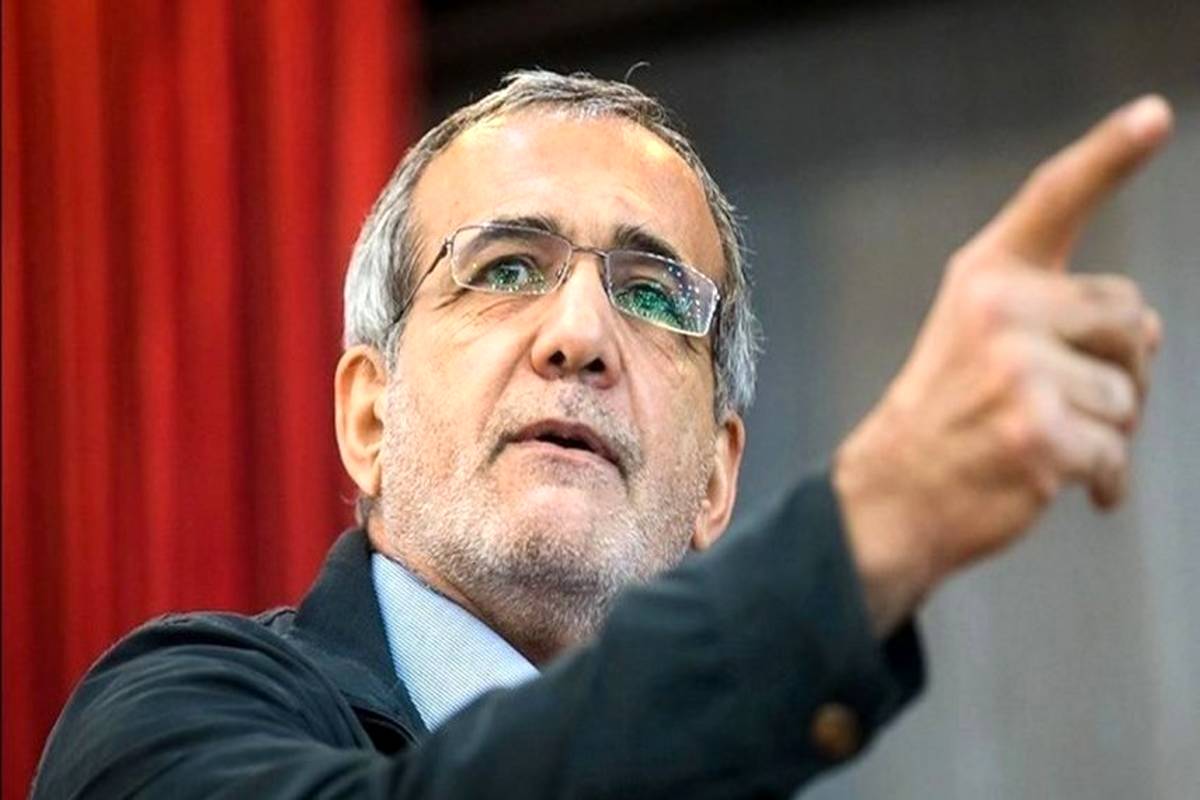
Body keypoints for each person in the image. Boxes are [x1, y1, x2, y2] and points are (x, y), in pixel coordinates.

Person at [32, 71, 1171, 798]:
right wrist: (873, 525)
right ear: (370, 415)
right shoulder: (163, 717)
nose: (580, 334)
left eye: (655, 295)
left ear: (715, 478)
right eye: (504, 269)